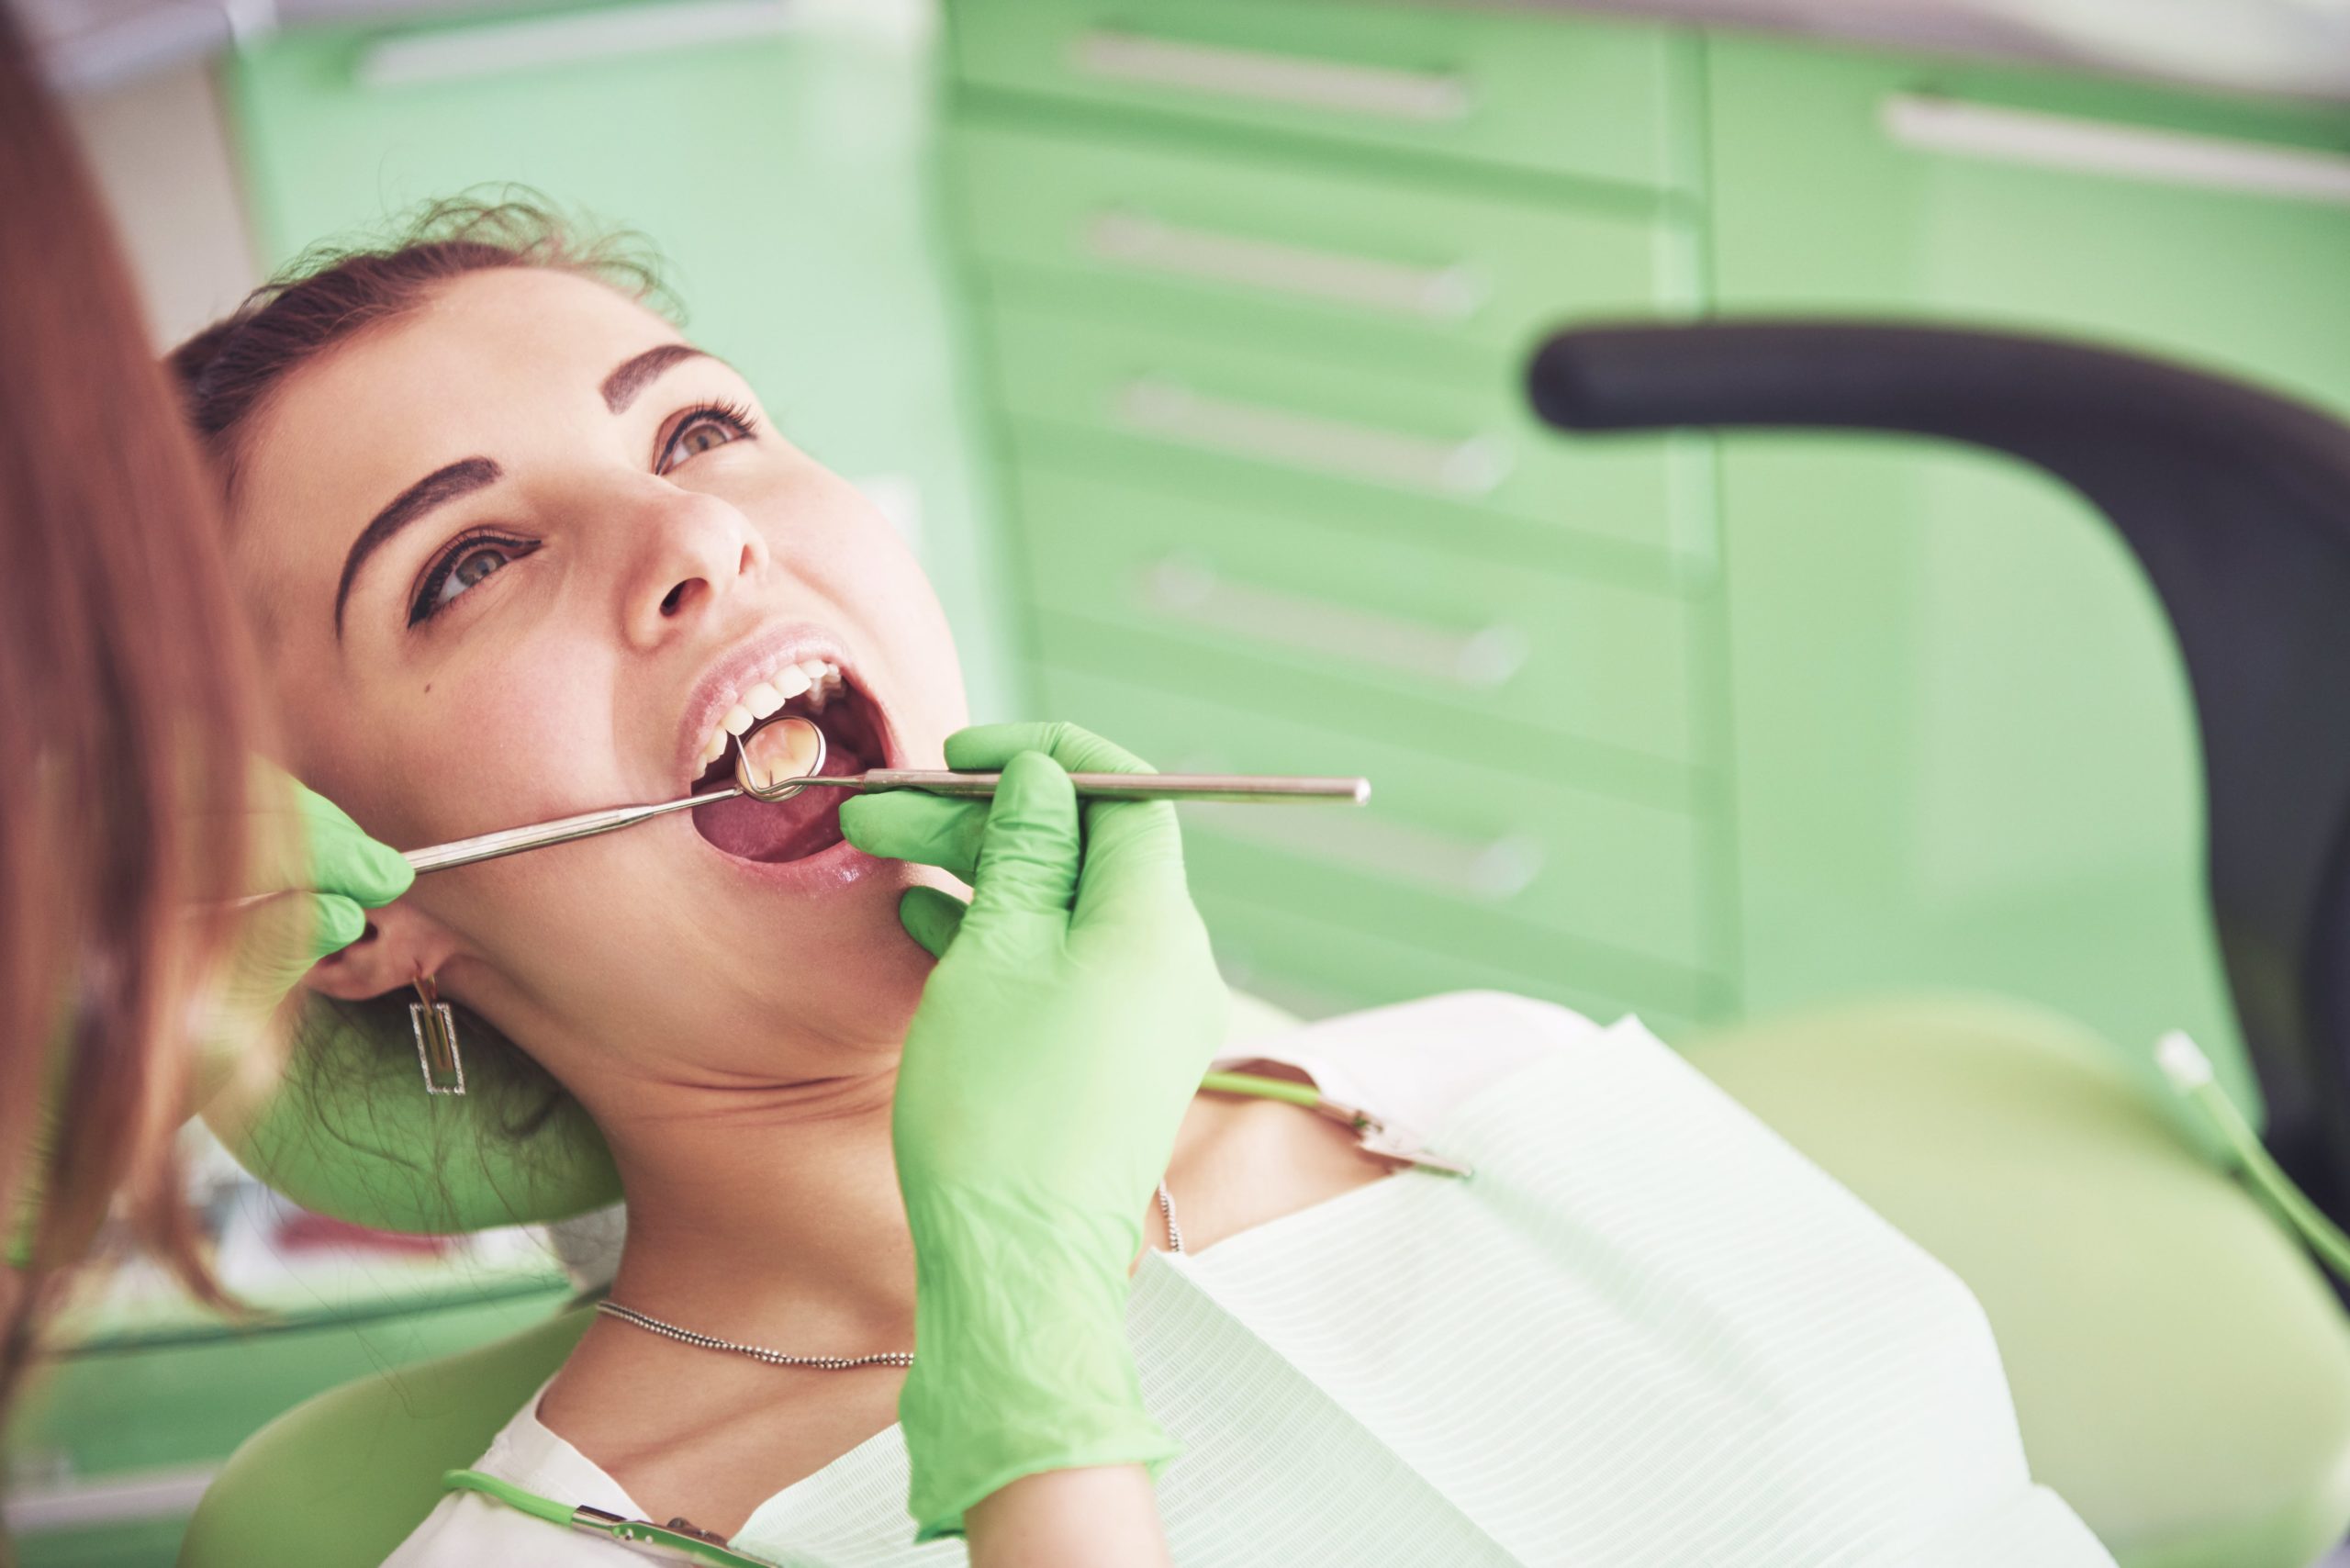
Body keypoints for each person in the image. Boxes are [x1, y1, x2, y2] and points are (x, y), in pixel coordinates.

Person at [172, 203, 2121, 1566]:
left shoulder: (1486, 1081)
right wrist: (1017, 1344)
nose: (691, 529)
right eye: (466, 562)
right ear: (361, 904)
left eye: (700, 425)